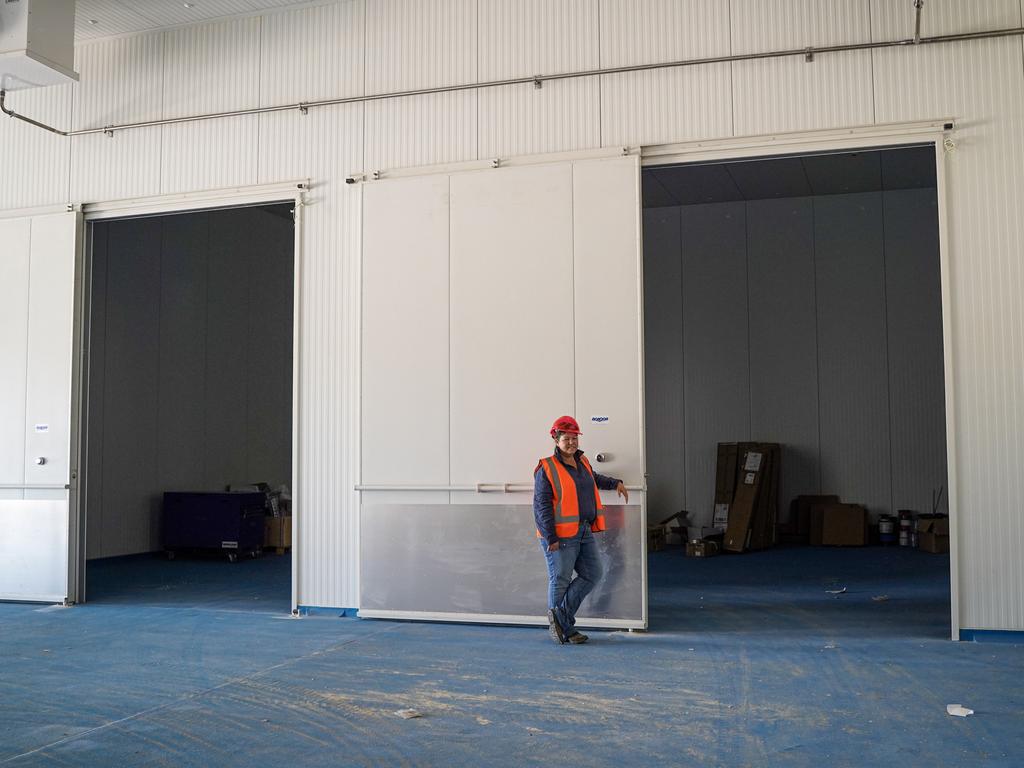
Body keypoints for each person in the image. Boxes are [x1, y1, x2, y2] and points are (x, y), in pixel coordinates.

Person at [534, 415, 628, 645]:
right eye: (566, 438)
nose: (572, 442)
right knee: (561, 579)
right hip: (560, 536)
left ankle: (561, 620)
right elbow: (541, 505)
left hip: (584, 531)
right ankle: (563, 629)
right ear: (556, 440)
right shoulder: (546, 467)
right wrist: (550, 537)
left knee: (593, 573)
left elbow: (592, 479)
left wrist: (615, 482)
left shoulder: (582, 461)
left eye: (574, 438)